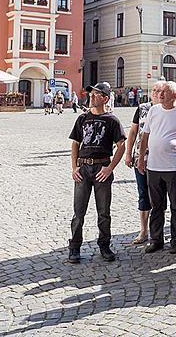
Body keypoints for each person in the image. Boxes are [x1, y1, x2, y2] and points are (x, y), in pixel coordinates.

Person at [66, 82, 126, 263]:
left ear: (105, 98)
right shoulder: (82, 118)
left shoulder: (112, 120)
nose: (91, 96)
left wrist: (110, 168)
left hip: (102, 168)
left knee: (104, 212)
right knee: (79, 212)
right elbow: (75, 143)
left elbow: (121, 146)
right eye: (91, 93)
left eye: (96, 94)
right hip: (83, 168)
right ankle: (74, 247)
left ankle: (104, 245)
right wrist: (74, 167)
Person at [138, 81, 176, 254]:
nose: (160, 94)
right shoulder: (153, 111)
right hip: (153, 165)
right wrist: (141, 158)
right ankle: (156, 239)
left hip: (174, 166)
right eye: (160, 91)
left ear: (174, 96)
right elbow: (145, 135)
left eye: (165, 92)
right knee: (157, 205)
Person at [124, 83, 161, 245]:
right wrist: (128, 153)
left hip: (161, 160)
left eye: (160, 91)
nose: (157, 94)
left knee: (159, 196)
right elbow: (133, 132)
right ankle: (144, 230)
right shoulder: (142, 108)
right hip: (141, 158)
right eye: (154, 90)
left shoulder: (169, 110)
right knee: (143, 193)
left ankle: (157, 231)